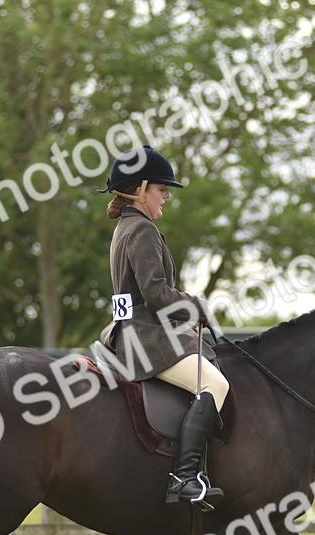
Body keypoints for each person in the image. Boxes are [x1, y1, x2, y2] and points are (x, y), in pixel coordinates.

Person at [96, 145, 229, 508]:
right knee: (214, 383)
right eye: (161, 189)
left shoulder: (127, 226)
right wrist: (196, 306)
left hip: (134, 330)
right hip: (146, 337)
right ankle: (184, 478)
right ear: (140, 189)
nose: (167, 196)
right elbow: (155, 293)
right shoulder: (141, 229)